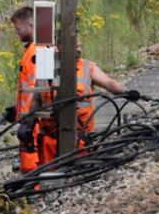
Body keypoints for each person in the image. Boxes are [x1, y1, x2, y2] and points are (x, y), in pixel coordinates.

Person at [22, 36, 137, 165]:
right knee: (49, 178)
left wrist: (125, 92)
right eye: (75, 47)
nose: (79, 50)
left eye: (80, 46)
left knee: (79, 173)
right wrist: (28, 126)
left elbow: (109, 83)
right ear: (61, 48)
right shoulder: (46, 67)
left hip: (81, 139)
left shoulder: (87, 67)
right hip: (49, 141)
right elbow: (36, 101)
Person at [8, 6, 40, 173]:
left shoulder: (36, 51)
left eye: (18, 29)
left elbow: (37, 87)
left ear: (31, 25)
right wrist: (17, 107)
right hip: (30, 117)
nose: (17, 33)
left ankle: (34, 190)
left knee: (32, 162)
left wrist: (28, 119)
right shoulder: (31, 50)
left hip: (34, 120)